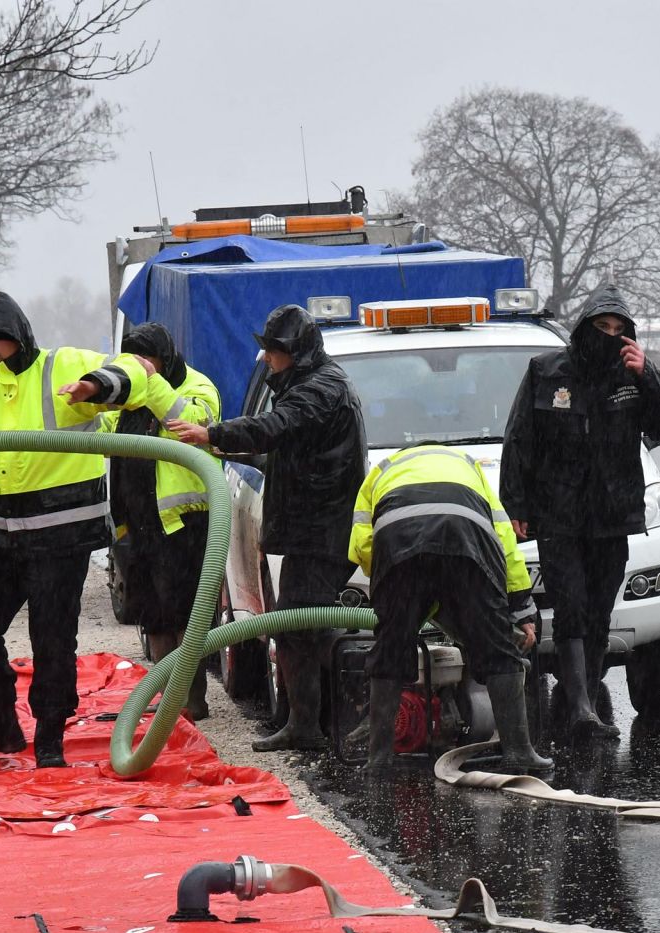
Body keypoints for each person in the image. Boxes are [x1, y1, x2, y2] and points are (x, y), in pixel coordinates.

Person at [0, 292, 182, 767]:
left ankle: (50, 740)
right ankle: (0, 724)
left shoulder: (65, 365)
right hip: (1, 530)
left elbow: (136, 370)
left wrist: (96, 388)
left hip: (62, 533)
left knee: (52, 638)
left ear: (17, 334)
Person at [170, 304, 365, 753]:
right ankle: (306, 722)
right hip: (315, 528)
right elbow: (290, 446)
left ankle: (316, 726)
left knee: (302, 626)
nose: (265, 360)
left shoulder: (320, 388)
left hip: (323, 531)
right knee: (299, 627)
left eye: (272, 352)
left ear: (293, 353)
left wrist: (212, 434)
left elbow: (275, 427)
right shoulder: (313, 383)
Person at [499, 284, 660, 739]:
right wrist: (518, 504)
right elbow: (520, 438)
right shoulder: (546, 371)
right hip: (558, 512)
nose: (609, 335)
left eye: (618, 329)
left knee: (600, 609)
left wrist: (649, 375)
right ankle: (582, 708)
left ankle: (577, 701)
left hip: (612, 513)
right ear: (585, 327)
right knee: (571, 605)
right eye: (602, 326)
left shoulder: (630, 377)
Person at [349, 443, 550, 773]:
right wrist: (520, 607)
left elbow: (362, 544)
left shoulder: (380, 470)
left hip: (399, 542)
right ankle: (519, 752)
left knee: (390, 650)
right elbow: (504, 541)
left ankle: (379, 759)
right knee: (498, 645)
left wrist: (401, 603)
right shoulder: (470, 468)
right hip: (465, 536)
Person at [105, 322, 221, 720]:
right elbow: (99, 429)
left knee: (186, 613)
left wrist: (153, 386)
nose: (139, 367)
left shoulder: (197, 387)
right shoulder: (130, 399)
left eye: (146, 359)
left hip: (183, 524)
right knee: (151, 612)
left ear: (164, 357)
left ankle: (191, 699)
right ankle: (165, 692)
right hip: (139, 526)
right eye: (131, 360)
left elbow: (192, 426)